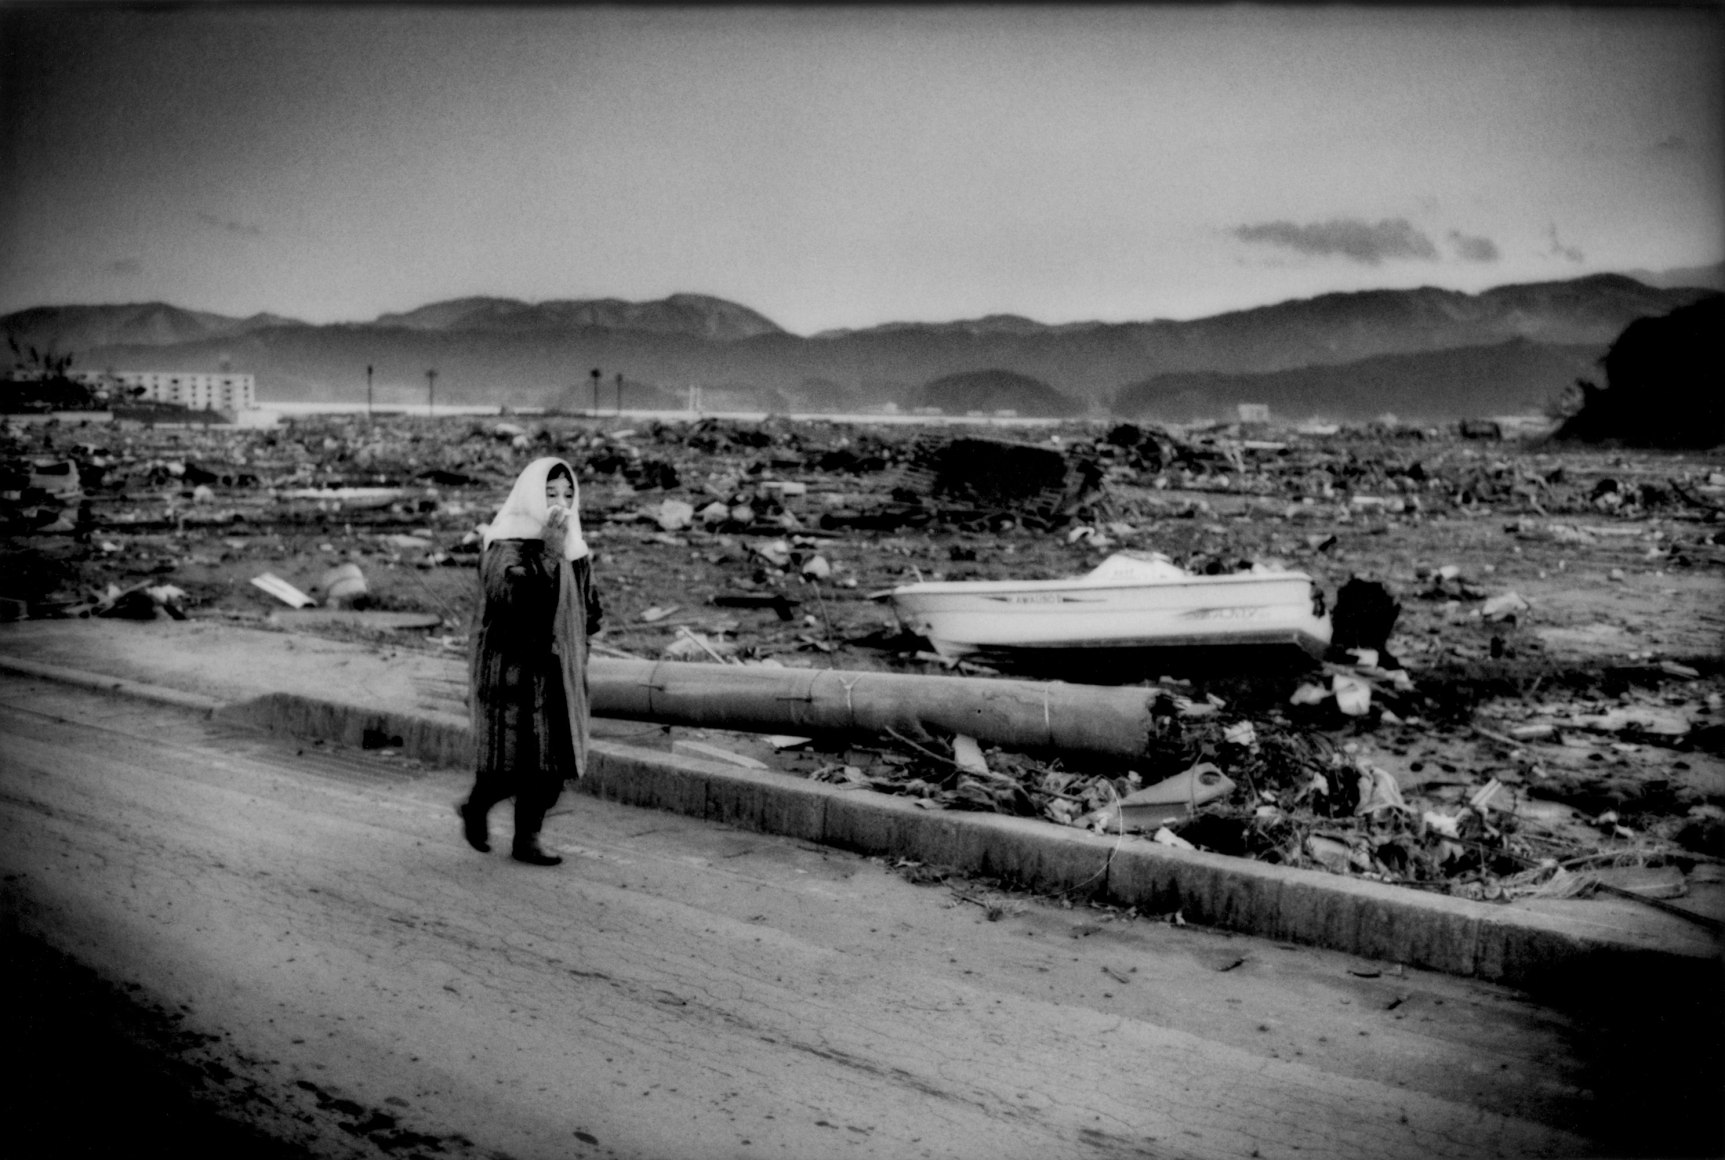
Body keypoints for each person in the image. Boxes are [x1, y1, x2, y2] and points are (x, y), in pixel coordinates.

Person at [458, 457, 602, 866]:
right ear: (530, 495)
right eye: (550, 493)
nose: (560, 503)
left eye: (568, 494)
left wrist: (582, 639)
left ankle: (528, 838)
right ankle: (476, 806)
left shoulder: (574, 547)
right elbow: (513, 599)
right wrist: (547, 556)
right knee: (510, 763)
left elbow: (589, 606)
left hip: (559, 671)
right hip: (514, 672)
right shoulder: (505, 545)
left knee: (552, 764)